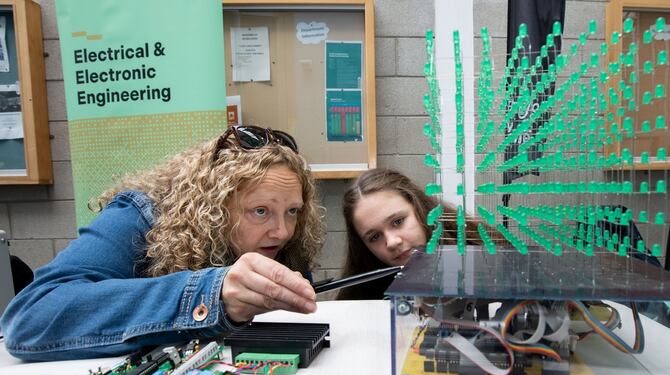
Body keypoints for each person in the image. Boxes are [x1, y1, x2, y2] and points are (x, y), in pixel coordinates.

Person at [0, 126, 324, 361]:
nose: (282, 232)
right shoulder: (137, 216)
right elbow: (31, 318)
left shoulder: (280, 244)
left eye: (292, 211)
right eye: (260, 211)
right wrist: (211, 295)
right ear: (213, 207)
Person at [338, 168, 490, 300]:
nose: (392, 242)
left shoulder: (484, 255)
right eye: (375, 237)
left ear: (419, 207)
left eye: (398, 222)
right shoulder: (362, 295)